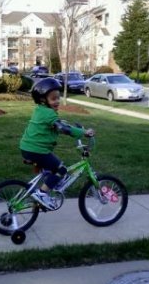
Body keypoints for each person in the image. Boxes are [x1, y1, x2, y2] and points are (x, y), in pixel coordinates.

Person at [19, 78, 94, 210]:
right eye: (53, 99)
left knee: (52, 168)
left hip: (27, 148)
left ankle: (52, 184)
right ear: (43, 100)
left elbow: (57, 124)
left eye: (58, 98)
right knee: (61, 169)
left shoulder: (40, 110)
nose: (57, 101)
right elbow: (63, 129)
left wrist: (66, 124)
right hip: (37, 150)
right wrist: (84, 133)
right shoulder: (49, 114)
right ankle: (42, 194)